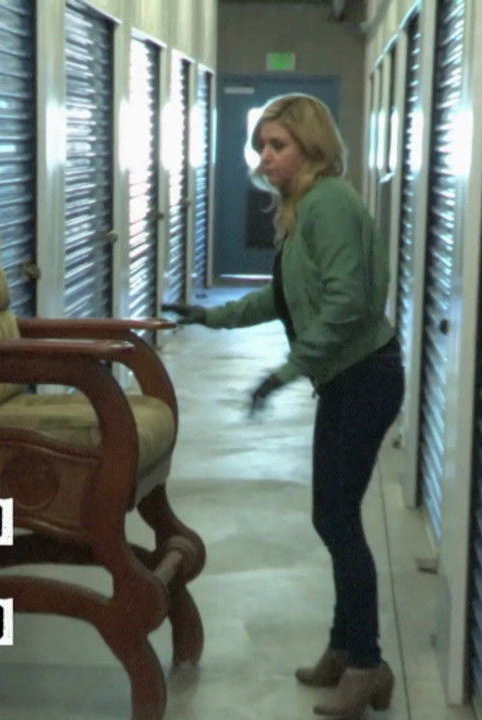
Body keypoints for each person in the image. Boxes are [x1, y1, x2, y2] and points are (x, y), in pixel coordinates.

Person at [164, 94, 404, 717]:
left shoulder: (329, 205)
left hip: (364, 376)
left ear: (311, 147)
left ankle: (367, 664)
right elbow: (285, 297)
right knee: (334, 515)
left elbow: (347, 302)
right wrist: (210, 318)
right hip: (348, 378)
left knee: (337, 520)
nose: (265, 157)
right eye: (262, 146)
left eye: (279, 145)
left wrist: (289, 371)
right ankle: (345, 650)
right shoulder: (303, 205)